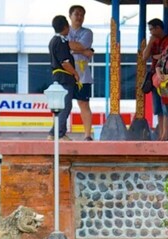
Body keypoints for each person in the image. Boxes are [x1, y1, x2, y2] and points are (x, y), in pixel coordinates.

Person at [46, 15, 80, 139]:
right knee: (65, 106)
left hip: (60, 77)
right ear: (65, 26)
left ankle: (61, 132)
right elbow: (65, 62)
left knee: (64, 105)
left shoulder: (56, 40)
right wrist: (75, 73)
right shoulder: (59, 41)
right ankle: (54, 133)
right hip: (64, 78)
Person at [66, 5, 96, 140]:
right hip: (66, 74)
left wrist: (74, 48)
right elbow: (61, 48)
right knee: (64, 104)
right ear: (70, 16)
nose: (79, 17)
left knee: (83, 104)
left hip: (83, 75)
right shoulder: (64, 31)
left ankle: (87, 135)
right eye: (76, 14)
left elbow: (81, 46)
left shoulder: (87, 32)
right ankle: (59, 132)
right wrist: (84, 52)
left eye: (81, 15)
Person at [142, 19, 168, 133]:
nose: (151, 32)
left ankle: (166, 133)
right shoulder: (153, 41)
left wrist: (156, 56)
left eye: (152, 29)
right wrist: (150, 42)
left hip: (165, 76)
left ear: (158, 28)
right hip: (154, 77)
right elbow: (144, 56)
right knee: (157, 108)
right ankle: (161, 132)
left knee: (166, 106)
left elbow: (166, 56)